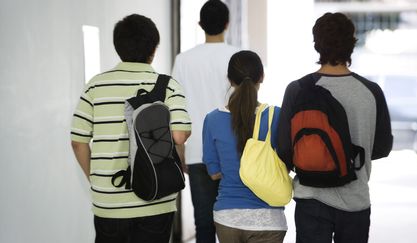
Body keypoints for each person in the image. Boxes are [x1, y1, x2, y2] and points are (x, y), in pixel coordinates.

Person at [70, 14, 191, 243]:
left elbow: (78, 142)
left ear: (118, 47)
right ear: (153, 49)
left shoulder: (95, 85)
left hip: (109, 201)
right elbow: (179, 136)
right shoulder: (169, 86)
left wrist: (96, 180)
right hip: (157, 198)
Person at [277, 12, 393, 243]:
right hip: (356, 201)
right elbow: (382, 147)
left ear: (317, 44)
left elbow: (283, 148)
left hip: (311, 198)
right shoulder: (371, 91)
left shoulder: (298, 89)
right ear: (352, 43)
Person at [171, 0, 239, 242]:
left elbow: (175, 108)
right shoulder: (236, 56)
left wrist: (180, 152)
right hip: (231, 152)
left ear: (200, 24)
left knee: (203, 222)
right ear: (227, 24)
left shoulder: (183, 60)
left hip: (196, 151)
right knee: (233, 222)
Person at [202, 50, 287, 243]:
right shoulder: (276, 116)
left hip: (227, 217)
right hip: (269, 219)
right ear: (262, 77)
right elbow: (286, 163)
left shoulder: (212, 120)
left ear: (230, 80)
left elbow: (214, 173)